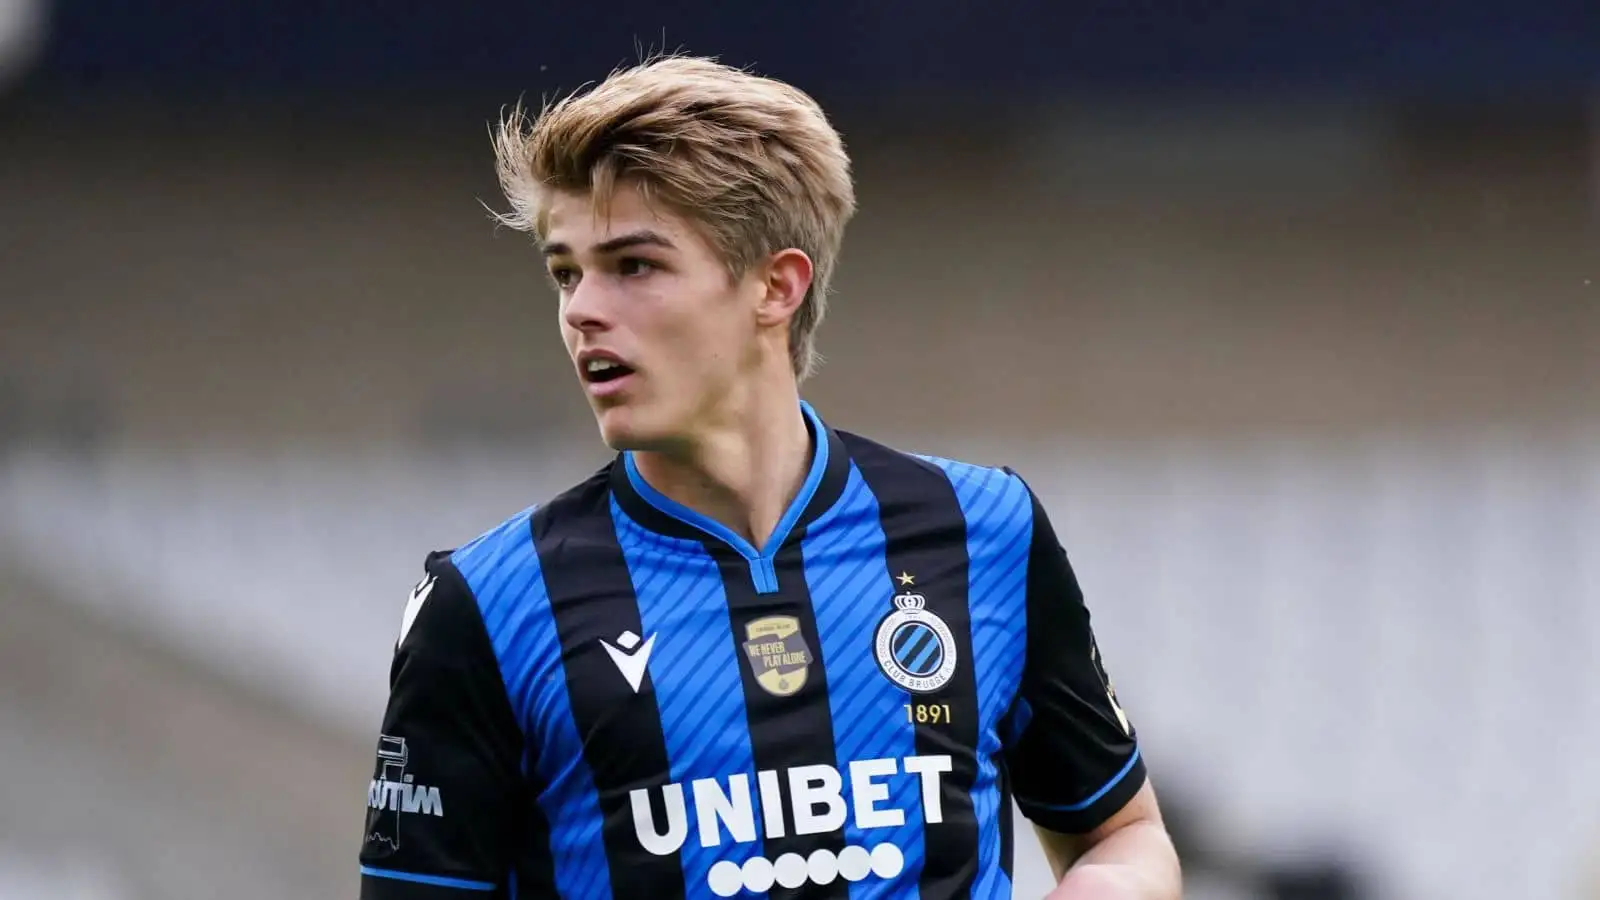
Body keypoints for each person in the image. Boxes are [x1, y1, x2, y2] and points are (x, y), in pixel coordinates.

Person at [357, 54, 1181, 900]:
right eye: (566, 271)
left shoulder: (982, 531)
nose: (581, 310)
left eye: (632, 265)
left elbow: (1122, 837)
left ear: (776, 287)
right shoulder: (488, 604)